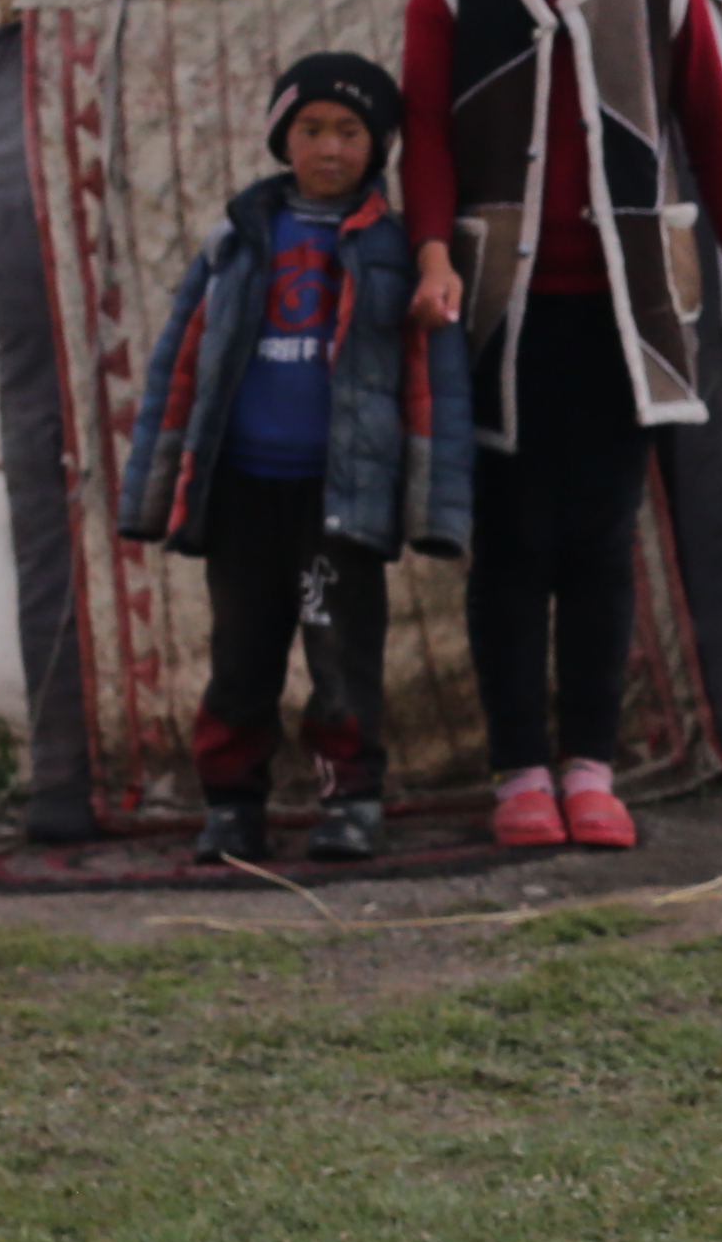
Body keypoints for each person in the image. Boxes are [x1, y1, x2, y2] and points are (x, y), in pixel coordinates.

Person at [401, 0, 722, 852]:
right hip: (496, 305)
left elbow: (711, 125)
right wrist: (429, 248)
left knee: (604, 540)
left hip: (631, 308)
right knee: (513, 540)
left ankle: (591, 769)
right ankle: (520, 771)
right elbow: (424, 122)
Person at [115, 49, 463, 867]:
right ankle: (233, 806)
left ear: (377, 146)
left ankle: (353, 803)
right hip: (242, 491)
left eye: (349, 131)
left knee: (342, 657)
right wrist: (152, 489)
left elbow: (431, 380)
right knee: (241, 656)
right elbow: (181, 363)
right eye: (310, 129)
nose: (330, 148)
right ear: (282, 138)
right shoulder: (235, 239)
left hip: (340, 494)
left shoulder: (400, 250)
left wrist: (435, 509)